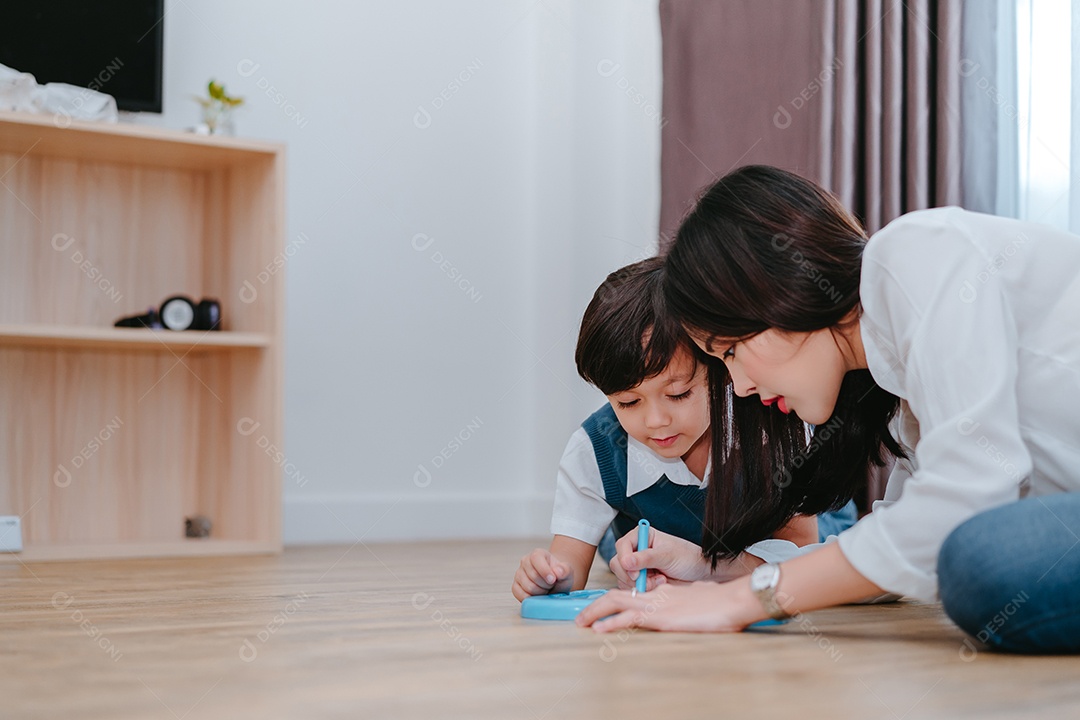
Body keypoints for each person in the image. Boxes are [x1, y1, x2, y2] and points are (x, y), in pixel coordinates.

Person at [575, 165, 1080, 654]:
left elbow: (952, 513)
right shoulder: (898, 379)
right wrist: (720, 570)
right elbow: (897, 542)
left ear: (778, 296)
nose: (741, 386)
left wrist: (739, 602)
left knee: (983, 560)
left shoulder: (916, 254)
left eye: (731, 351)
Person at [511, 257, 858, 602]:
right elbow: (568, 566)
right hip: (654, 542)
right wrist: (550, 577)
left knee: (833, 545)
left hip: (798, 530)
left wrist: (707, 570)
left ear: (721, 367)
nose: (655, 420)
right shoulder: (596, 447)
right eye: (628, 402)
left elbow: (798, 554)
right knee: (617, 546)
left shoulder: (771, 421)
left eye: (678, 394)